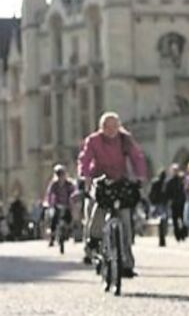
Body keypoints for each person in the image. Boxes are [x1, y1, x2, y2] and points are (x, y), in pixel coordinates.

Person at [78, 112, 148, 276]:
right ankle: (93, 243)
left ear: (119, 127)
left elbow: (137, 157)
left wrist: (140, 176)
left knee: (125, 221)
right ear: (101, 127)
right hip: (100, 179)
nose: (111, 130)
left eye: (114, 126)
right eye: (107, 127)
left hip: (120, 179)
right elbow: (85, 159)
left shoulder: (125, 139)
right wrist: (85, 176)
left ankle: (127, 264)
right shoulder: (93, 140)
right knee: (97, 210)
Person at [44, 164, 77, 247]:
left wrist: (74, 199)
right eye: (58, 174)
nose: (60, 176)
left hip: (67, 205)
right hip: (57, 205)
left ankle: (71, 233)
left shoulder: (69, 184)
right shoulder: (54, 184)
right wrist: (48, 203)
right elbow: (49, 194)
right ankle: (52, 238)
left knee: (69, 219)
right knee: (53, 220)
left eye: (62, 174)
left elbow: (74, 192)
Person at [164, 163, 187, 242]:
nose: (175, 172)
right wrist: (168, 200)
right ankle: (177, 235)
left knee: (183, 218)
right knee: (175, 220)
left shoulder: (181, 180)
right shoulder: (169, 181)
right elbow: (166, 193)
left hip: (181, 202)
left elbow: (184, 190)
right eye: (174, 170)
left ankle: (183, 234)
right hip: (173, 203)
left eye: (176, 170)